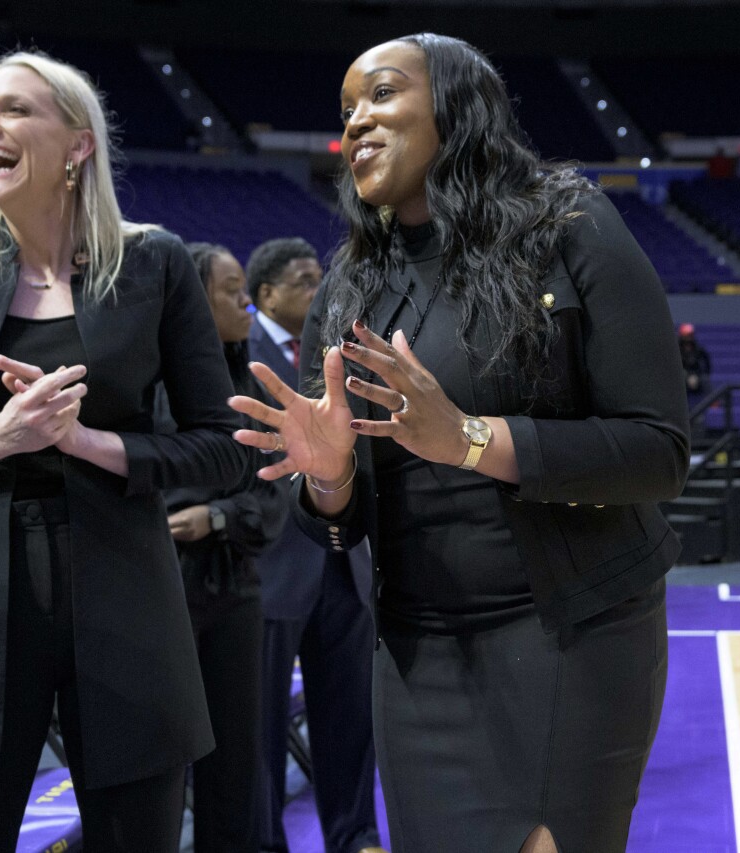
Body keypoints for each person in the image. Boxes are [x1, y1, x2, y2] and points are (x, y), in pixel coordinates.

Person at [229, 34, 689, 853]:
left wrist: (472, 439)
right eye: (345, 112)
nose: (355, 124)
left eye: (380, 95)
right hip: (420, 654)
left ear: (456, 106)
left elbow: (657, 451)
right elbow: (337, 523)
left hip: (572, 632)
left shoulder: (569, 224)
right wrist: (329, 479)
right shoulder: (345, 287)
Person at [0, 51, 248, 852]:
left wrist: (87, 442)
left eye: (12, 110)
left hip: (127, 594)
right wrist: (1, 436)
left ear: (78, 145)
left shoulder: (155, 262)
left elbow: (223, 448)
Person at [245, 237, 382, 853]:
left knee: (352, 717)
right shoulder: (236, 353)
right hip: (272, 562)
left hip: (345, 558)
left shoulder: (338, 356)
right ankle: (266, 841)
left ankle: (355, 836)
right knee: (262, 729)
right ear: (266, 294)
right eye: (301, 280)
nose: (316, 286)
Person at [158, 243, 286, 853]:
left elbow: (273, 500)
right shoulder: (150, 385)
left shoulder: (251, 381)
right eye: (232, 290)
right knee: (160, 761)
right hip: (164, 590)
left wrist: (216, 515)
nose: (246, 302)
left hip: (236, 587)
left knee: (235, 758)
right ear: (192, 300)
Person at [678, 322, 711, 399]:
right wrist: (687, 376)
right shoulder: (676, 350)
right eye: (687, 335)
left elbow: (707, 364)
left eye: (691, 335)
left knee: (705, 379)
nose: (689, 338)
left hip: (696, 375)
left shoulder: (698, 349)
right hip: (682, 375)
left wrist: (696, 376)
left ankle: (713, 402)